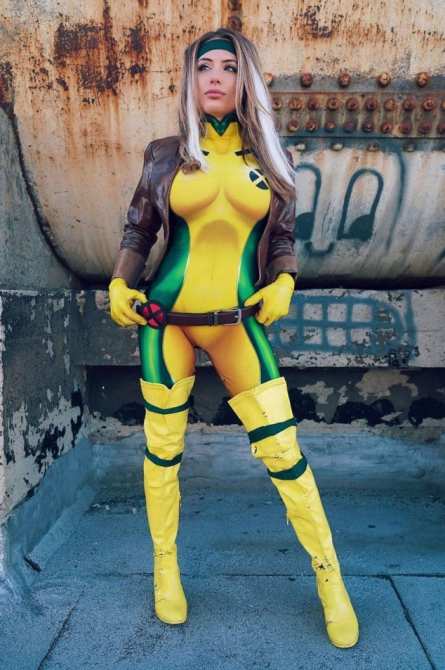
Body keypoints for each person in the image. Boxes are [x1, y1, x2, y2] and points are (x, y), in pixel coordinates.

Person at [108, 27, 359, 648]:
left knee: (285, 454)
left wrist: (285, 281)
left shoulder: (272, 156)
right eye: (204, 67)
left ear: (246, 79)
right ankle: (166, 568)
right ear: (190, 79)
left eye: (227, 66)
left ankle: (331, 580)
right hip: (165, 322)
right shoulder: (164, 153)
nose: (215, 76)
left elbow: (283, 239)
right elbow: (139, 230)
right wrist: (119, 284)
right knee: (163, 451)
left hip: (237, 325)